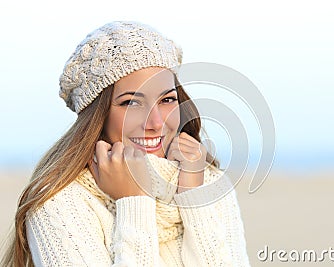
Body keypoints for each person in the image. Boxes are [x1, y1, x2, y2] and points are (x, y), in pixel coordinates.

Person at [2, 21, 250, 266]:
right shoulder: (57, 203)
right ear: (97, 115)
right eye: (131, 102)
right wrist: (134, 200)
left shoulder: (207, 181)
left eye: (167, 100)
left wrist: (194, 197)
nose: (155, 123)